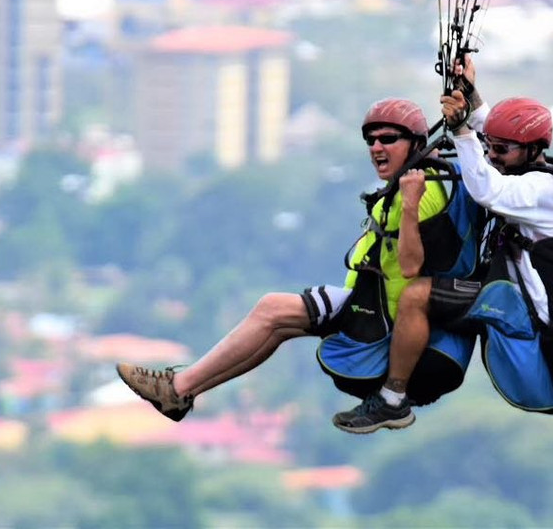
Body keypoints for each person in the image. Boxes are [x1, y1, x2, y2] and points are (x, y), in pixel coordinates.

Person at [116, 98, 456, 424]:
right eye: (371, 140)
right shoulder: (410, 184)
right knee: (274, 320)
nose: (376, 148)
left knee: (272, 310)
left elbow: (411, 266)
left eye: (388, 139)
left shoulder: (421, 190)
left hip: (382, 316)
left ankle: (178, 389)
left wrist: (411, 204)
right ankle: (181, 391)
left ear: (415, 143)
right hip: (367, 303)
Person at [332, 58, 553, 433]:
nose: (492, 154)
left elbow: (487, 189)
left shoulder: (541, 189)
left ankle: (392, 400)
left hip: (523, 304)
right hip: (502, 287)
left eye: (501, 151)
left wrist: (461, 129)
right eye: (490, 147)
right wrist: (470, 95)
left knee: (416, 294)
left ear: (531, 149)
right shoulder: (521, 164)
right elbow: (493, 134)